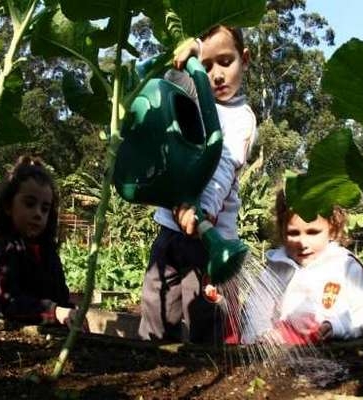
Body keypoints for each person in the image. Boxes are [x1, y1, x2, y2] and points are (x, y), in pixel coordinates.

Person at [138, 25, 257, 344]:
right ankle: (155, 356)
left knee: (205, 310)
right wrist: (184, 56)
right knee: (156, 300)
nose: (216, 75)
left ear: (244, 59)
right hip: (170, 228)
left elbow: (223, 166)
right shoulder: (191, 95)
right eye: (206, 66)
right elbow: (166, 88)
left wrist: (201, 210)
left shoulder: (240, 118)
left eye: (225, 61)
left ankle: (209, 368)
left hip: (209, 239)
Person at [241, 189, 363, 344]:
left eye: (312, 232)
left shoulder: (345, 265)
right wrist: (261, 334)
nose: (303, 243)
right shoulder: (276, 268)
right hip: (284, 349)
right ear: (282, 231)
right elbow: (256, 309)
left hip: (335, 347)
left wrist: (337, 326)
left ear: (332, 229)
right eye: (294, 233)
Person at [0, 156, 85, 330]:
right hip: (17, 338)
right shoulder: (4, 251)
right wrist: (54, 312)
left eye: (45, 208)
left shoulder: (48, 253)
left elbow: (60, 295)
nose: (38, 213)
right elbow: (8, 303)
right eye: (30, 204)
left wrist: (70, 313)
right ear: (8, 206)